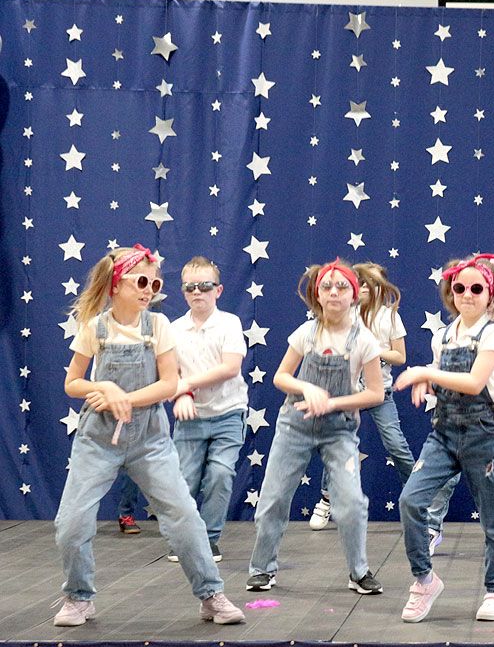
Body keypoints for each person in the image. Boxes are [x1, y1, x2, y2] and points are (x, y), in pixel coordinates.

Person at [53, 244, 244, 627]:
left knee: (184, 516)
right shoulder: (95, 328)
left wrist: (125, 397)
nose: (149, 290)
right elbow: (72, 382)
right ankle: (78, 597)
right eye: (141, 282)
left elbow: (169, 383)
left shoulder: (157, 326)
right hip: (98, 438)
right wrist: (105, 388)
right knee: (70, 523)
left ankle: (211, 594)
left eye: (154, 284)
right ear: (115, 284)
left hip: (149, 440)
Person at [396, 253, 494, 622]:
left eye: (476, 288)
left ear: (491, 295)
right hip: (444, 433)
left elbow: (473, 382)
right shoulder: (443, 335)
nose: (467, 294)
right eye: (460, 287)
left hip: (484, 436)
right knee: (411, 501)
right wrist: (427, 380)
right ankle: (424, 579)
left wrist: (425, 373)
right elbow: (444, 378)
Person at [247, 259, 385, 596]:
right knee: (273, 498)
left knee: (350, 504)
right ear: (317, 295)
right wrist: (306, 388)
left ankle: (359, 571)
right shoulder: (306, 333)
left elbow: (375, 393)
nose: (334, 292)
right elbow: (281, 377)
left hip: (339, 430)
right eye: (327, 287)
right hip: (295, 426)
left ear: (354, 294)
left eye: (342, 287)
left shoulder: (364, 341)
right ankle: (262, 569)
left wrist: (333, 403)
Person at [310, 262, 414, 530]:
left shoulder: (390, 316)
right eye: (362, 282)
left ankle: (418, 498)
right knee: (338, 445)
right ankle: (326, 499)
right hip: (347, 393)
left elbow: (400, 356)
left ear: (382, 287)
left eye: (373, 283)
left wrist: (372, 352)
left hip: (380, 393)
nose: (367, 287)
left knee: (396, 444)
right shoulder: (347, 312)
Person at [167, 256, 248, 563]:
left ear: (219, 290)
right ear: (183, 291)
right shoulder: (173, 329)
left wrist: (185, 385)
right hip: (190, 419)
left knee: (220, 475)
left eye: (204, 285)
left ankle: (210, 540)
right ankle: (184, 541)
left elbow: (230, 367)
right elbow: (168, 373)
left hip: (228, 414)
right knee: (183, 481)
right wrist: (181, 394)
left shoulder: (229, 323)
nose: (197, 292)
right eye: (190, 287)